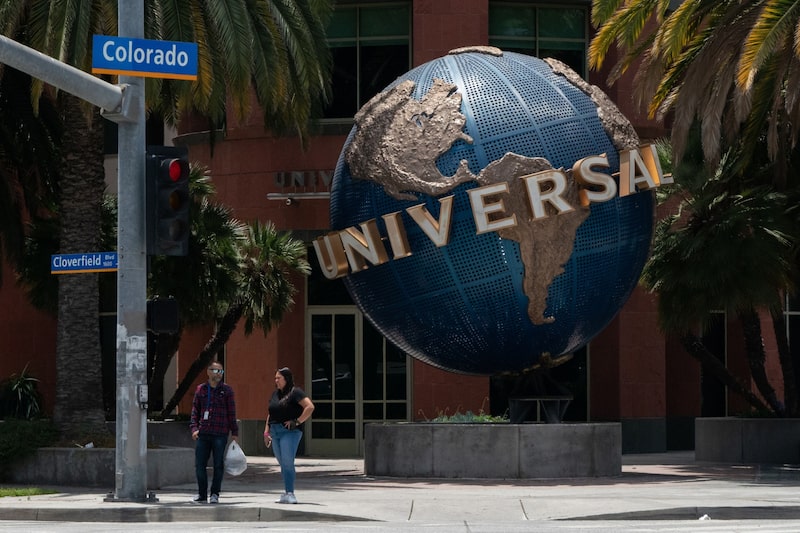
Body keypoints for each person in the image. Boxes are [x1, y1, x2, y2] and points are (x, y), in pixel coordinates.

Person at [189, 361, 238, 504]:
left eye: (221, 371)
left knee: (218, 464)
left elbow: (231, 413)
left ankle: (215, 493)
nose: (218, 374)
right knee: (200, 465)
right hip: (203, 433)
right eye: (215, 371)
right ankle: (202, 494)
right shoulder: (201, 390)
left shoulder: (227, 391)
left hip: (220, 433)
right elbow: (195, 412)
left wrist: (234, 432)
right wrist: (194, 428)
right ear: (208, 372)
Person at [263, 367, 315, 504]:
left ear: (286, 379)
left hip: (289, 432)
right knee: (282, 463)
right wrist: (266, 432)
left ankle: (291, 493)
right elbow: (271, 414)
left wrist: (297, 422)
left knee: (287, 462)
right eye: (275, 378)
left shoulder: (295, 392)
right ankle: (286, 492)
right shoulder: (275, 394)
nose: (276, 381)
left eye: (278, 378)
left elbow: (309, 407)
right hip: (275, 431)